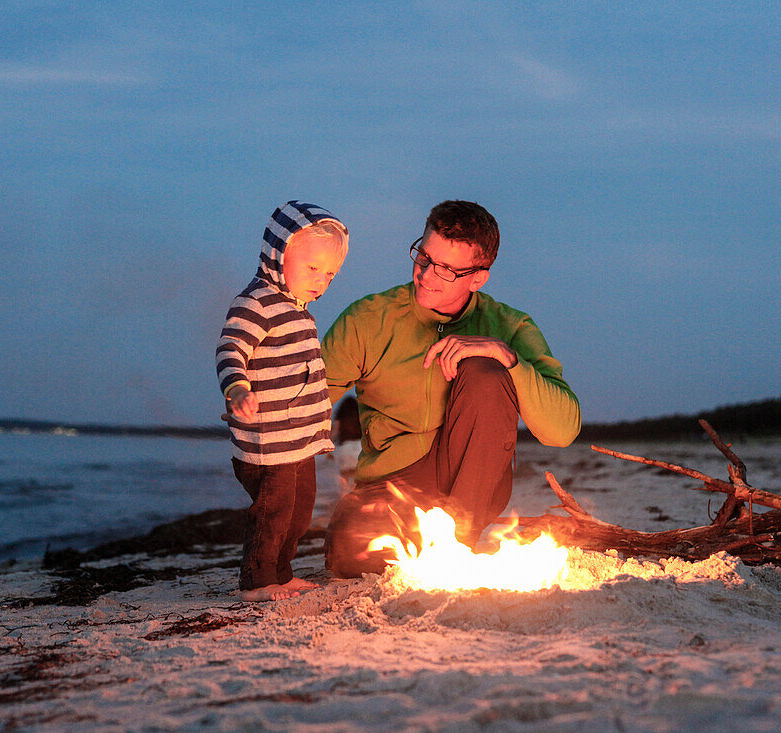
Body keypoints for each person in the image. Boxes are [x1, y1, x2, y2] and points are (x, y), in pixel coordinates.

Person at [321, 200, 580, 577]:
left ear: (478, 278)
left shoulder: (509, 325)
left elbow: (562, 431)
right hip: (391, 485)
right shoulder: (368, 319)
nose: (426, 276)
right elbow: (308, 401)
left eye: (446, 270)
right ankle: (428, 551)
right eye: (424, 257)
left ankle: (457, 549)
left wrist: (506, 357)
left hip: (472, 483)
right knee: (350, 553)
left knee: (486, 371)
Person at [216, 201, 348, 601]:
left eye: (330, 273)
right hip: (267, 442)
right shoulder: (257, 302)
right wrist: (237, 388)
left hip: (299, 440)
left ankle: (281, 572)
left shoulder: (297, 310)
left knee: (299, 512)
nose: (321, 281)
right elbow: (230, 348)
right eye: (312, 269)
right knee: (273, 513)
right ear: (278, 254)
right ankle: (257, 580)